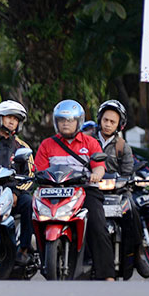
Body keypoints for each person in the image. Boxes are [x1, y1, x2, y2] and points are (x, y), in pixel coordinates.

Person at [34, 99, 115, 280]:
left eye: (70, 120)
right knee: (34, 218)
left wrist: (96, 174)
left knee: (97, 225)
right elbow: (39, 171)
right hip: (54, 191)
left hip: (84, 190)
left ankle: (107, 274)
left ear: (78, 122)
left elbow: (99, 166)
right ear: (56, 122)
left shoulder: (91, 142)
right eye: (62, 119)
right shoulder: (47, 144)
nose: (65, 123)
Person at [89, 99, 149, 278]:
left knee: (133, 211)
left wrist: (125, 181)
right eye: (105, 120)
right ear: (100, 119)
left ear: (119, 125)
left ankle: (138, 255)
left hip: (118, 192)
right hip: (93, 192)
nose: (108, 124)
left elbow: (128, 172)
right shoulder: (88, 141)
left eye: (112, 122)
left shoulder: (123, 146)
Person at [0, 99, 35, 265]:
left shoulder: (22, 147)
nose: (12, 121)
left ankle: (25, 249)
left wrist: (15, 192)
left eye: (16, 119)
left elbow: (30, 175)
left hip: (14, 195)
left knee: (28, 202)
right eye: (9, 117)